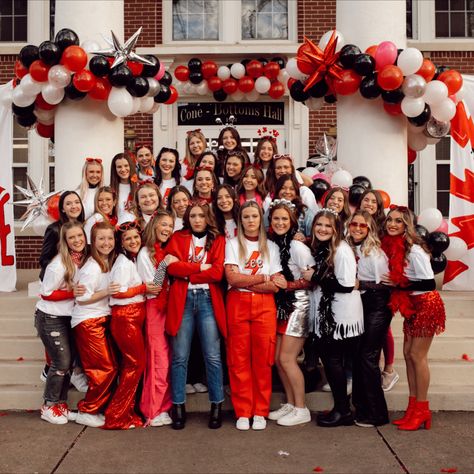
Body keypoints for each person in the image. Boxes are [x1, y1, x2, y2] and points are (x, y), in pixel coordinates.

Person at [381, 205, 445, 431]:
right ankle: (412, 407)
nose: (392, 224)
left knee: (418, 356)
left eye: (398, 221)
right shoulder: (394, 246)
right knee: (408, 355)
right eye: (390, 220)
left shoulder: (415, 251)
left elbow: (429, 283)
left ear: (407, 225)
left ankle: (422, 409)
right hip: (412, 304)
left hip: (426, 304)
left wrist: (400, 284)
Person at [165, 202, 226, 430]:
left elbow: (218, 272)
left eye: (201, 215)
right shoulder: (178, 237)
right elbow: (171, 268)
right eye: (193, 216)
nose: (197, 219)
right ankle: (178, 405)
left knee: (213, 355)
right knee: (180, 356)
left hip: (208, 300)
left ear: (208, 217)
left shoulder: (218, 240)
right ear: (187, 218)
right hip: (183, 301)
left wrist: (188, 274)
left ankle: (216, 405)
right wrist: (201, 269)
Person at [302, 208, 364, 428]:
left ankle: (343, 411)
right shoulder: (322, 248)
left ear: (336, 229)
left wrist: (315, 277)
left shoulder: (342, 250)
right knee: (331, 362)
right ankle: (342, 408)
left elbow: (347, 285)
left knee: (333, 362)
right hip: (329, 314)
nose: (322, 229)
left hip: (341, 317)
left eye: (328, 226)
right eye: (319, 224)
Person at [224, 201, 283, 431]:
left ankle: (260, 411)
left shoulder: (271, 247)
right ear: (241, 220)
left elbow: (277, 286)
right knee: (238, 359)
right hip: (237, 304)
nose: (250, 221)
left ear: (260, 220)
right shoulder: (232, 244)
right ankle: (243, 411)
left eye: (254, 217)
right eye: (246, 217)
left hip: (264, 306)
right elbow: (232, 280)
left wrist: (247, 278)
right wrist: (262, 278)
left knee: (262, 359)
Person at [103, 221, 155, 430]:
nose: (133, 241)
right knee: (135, 365)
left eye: (135, 237)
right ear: (121, 243)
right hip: (126, 318)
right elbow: (117, 292)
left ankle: (127, 411)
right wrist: (142, 288)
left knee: (133, 366)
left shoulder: (131, 260)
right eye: (128, 239)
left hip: (133, 317)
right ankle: (116, 414)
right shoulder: (123, 264)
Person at [267, 200, 314, 426]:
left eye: (285, 219)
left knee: (287, 359)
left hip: (299, 305)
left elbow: (311, 279)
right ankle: (290, 403)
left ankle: (301, 408)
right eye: (276, 218)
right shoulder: (273, 244)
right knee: (278, 359)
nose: (280, 222)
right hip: (282, 306)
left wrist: (289, 285)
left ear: (292, 221)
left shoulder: (298, 247)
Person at [35, 221, 88, 424]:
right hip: (50, 318)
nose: (77, 240)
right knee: (61, 362)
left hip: (68, 317)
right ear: (65, 241)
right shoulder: (58, 264)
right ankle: (48, 405)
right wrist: (70, 292)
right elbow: (46, 293)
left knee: (68, 362)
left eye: (79, 236)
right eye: (71, 237)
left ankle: (60, 404)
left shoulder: (82, 260)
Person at [38, 190, 88, 392]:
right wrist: (61, 276)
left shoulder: (84, 228)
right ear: (62, 208)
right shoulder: (54, 230)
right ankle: (54, 379)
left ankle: (67, 370)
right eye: (69, 203)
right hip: (59, 289)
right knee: (59, 342)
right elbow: (45, 260)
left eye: (77, 202)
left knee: (71, 338)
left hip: (75, 296)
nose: (74, 206)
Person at [71, 221, 119, 428]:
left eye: (109, 238)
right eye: (101, 239)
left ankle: (96, 407)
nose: (106, 243)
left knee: (109, 367)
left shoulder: (108, 261)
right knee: (104, 369)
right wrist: (107, 292)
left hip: (101, 319)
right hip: (88, 321)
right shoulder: (92, 267)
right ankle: (87, 410)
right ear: (93, 241)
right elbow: (82, 298)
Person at [346, 210, 391, 427]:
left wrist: (360, 284)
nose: (356, 228)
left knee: (368, 358)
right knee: (358, 356)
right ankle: (361, 408)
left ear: (369, 228)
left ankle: (378, 414)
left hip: (378, 307)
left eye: (362, 226)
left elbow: (385, 285)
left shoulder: (375, 253)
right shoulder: (349, 248)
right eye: (353, 224)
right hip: (360, 306)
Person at [138, 210, 178, 427]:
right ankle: (153, 410)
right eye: (163, 224)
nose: (167, 229)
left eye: (170, 226)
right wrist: (164, 265)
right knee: (158, 360)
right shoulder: (146, 253)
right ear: (154, 225)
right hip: (154, 308)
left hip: (168, 308)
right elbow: (153, 286)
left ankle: (164, 406)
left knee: (168, 359)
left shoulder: (164, 250)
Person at [357, 189, 399, 391]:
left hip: (380, 284)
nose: (370, 204)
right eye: (366, 199)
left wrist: (396, 275)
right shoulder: (357, 222)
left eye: (374, 201)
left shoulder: (385, 226)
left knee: (383, 329)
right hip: (364, 287)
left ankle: (389, 369)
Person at [109, 152, 138, 225]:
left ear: (131, 166)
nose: (123, 169)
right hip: (119, 230)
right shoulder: (110, 189)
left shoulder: (140, 186)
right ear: (114, 169)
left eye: (126, 165)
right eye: (119, 167)